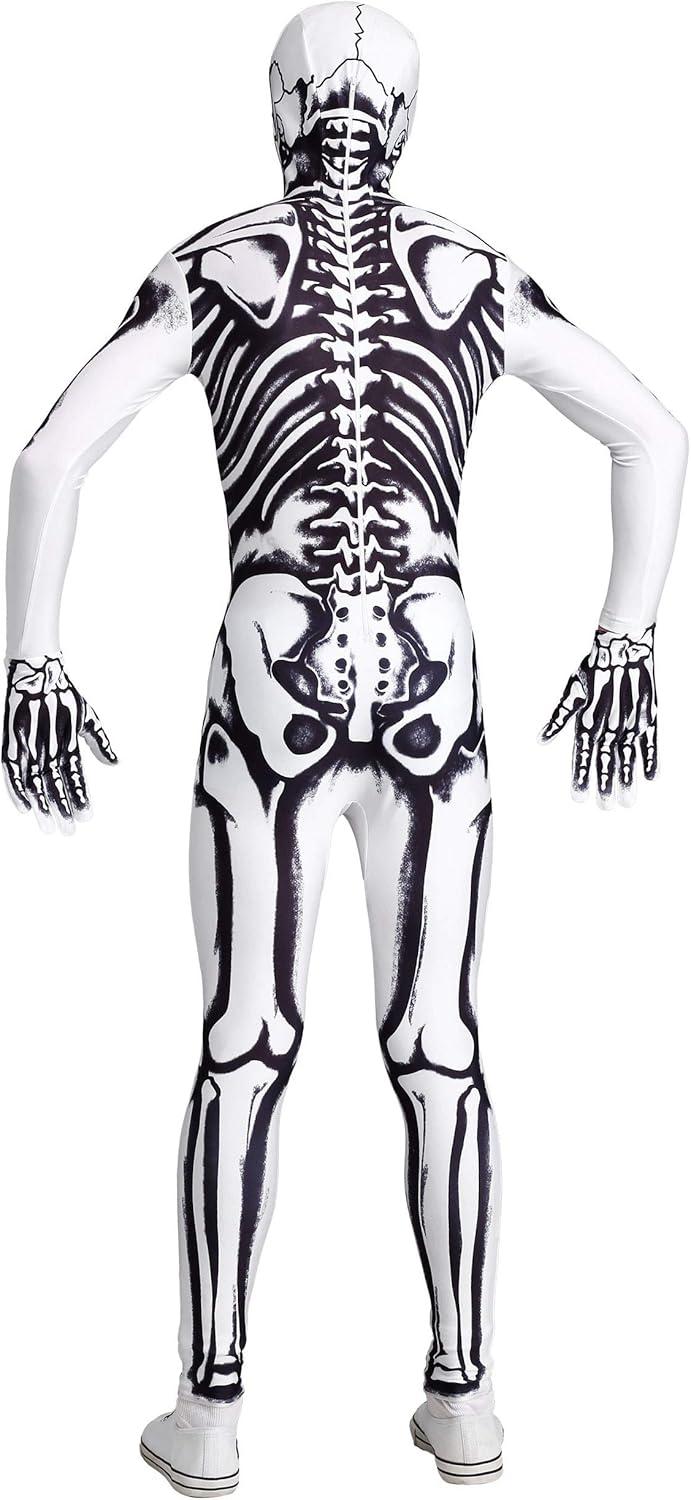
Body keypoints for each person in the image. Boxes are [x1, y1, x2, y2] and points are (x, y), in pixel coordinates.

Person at [3, 4, 686, 1492]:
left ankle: (210, 1417)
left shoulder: (213, 265)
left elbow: (49, 456)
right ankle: (464, 1402)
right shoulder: (479, 274)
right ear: (409, 121)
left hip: (277, 658)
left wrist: (31, 656)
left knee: (242, 1042)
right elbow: (651, 430)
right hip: (435, 665)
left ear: (278, 112)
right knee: (443, 1045)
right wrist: (626, 639)